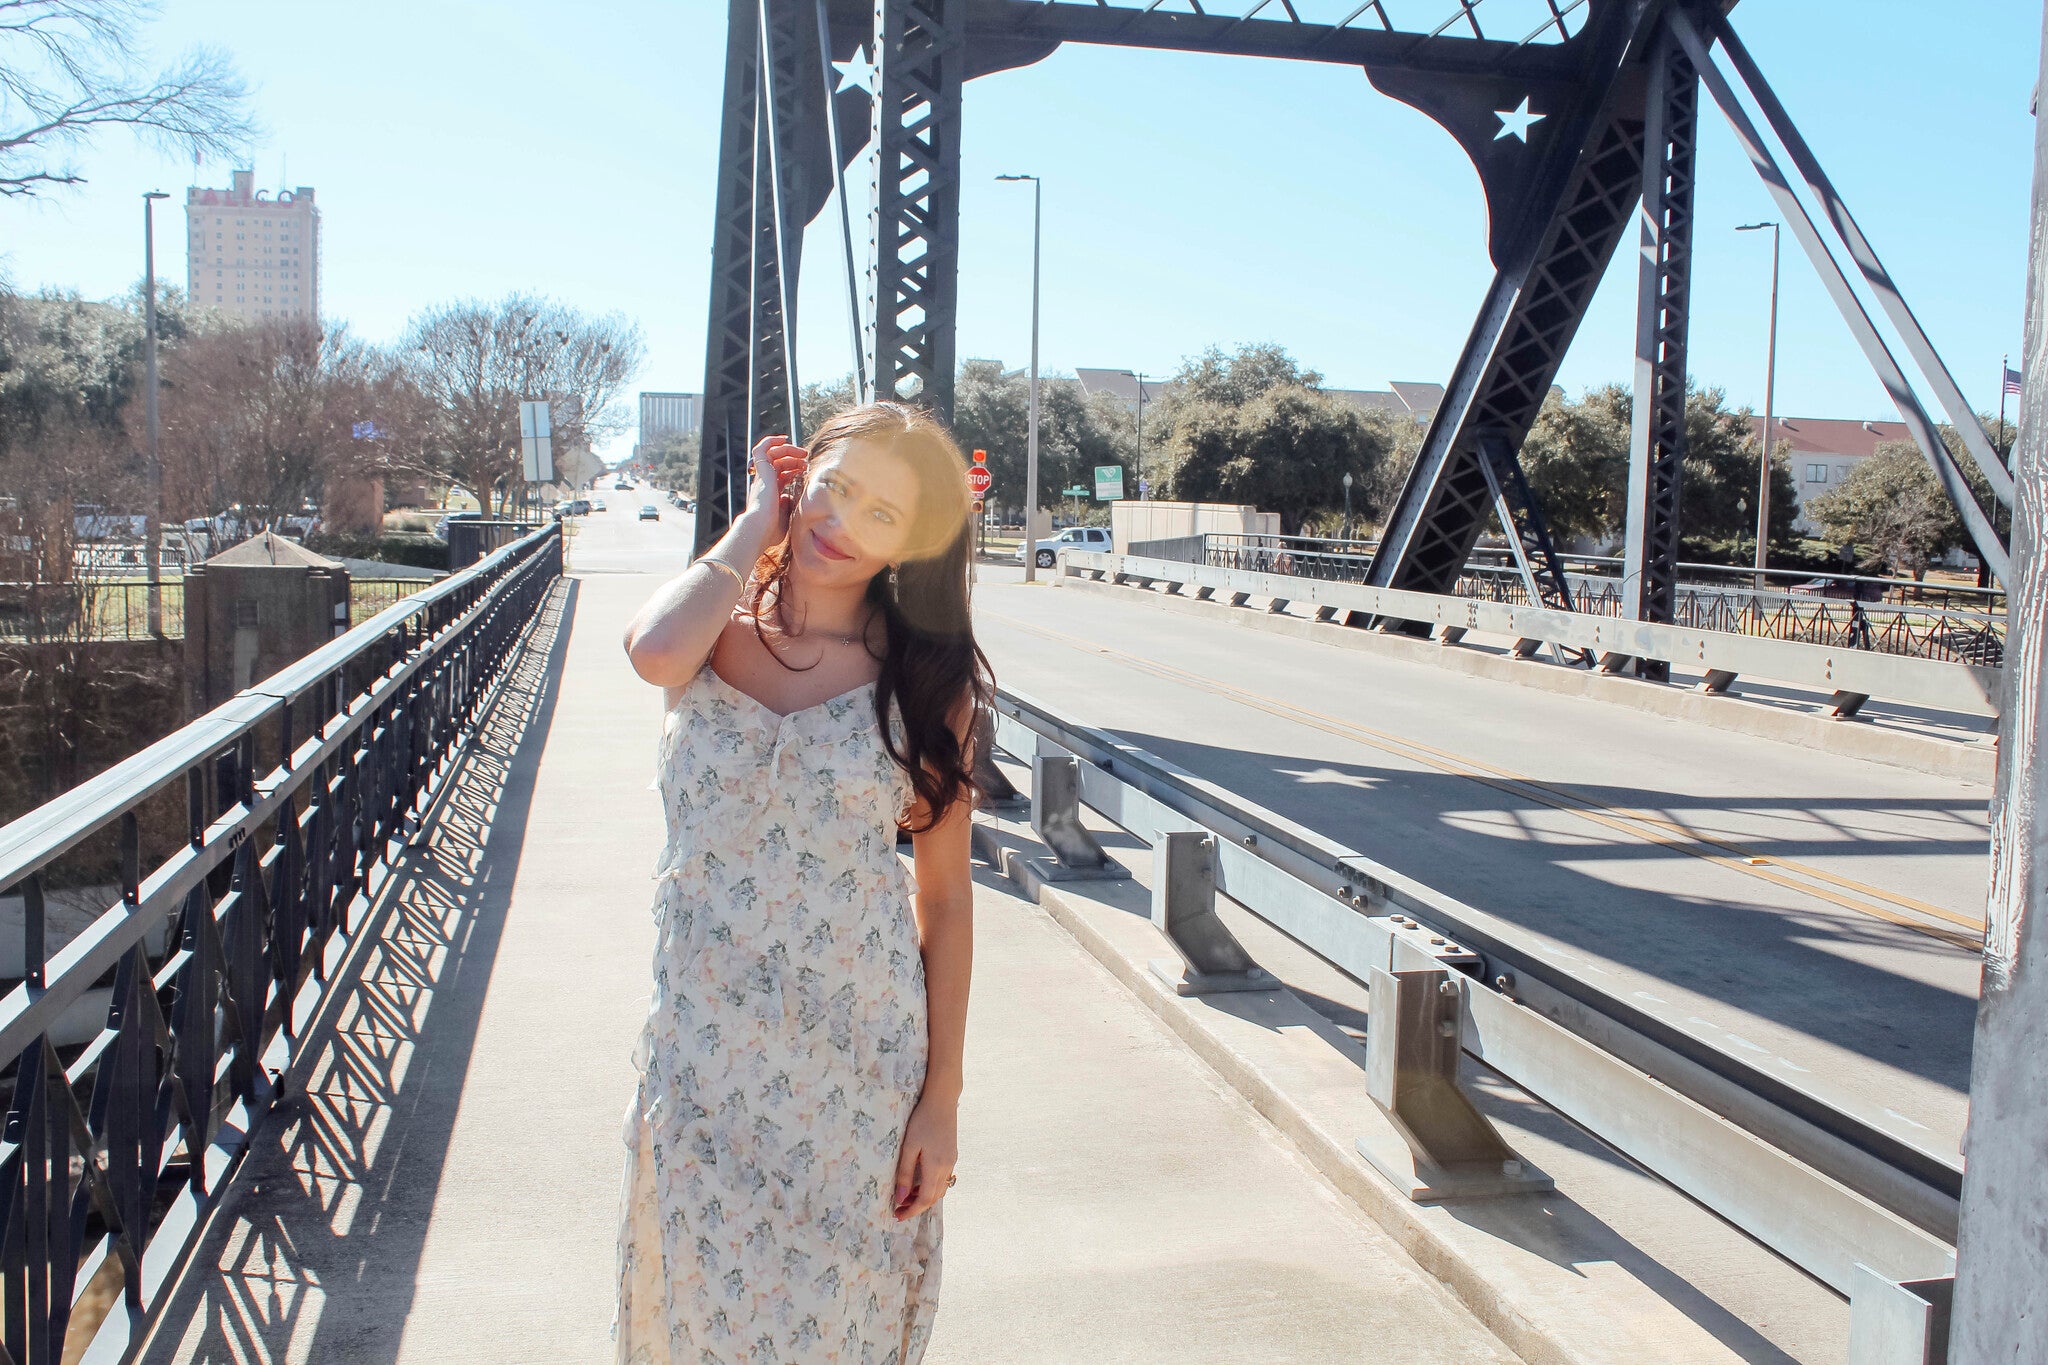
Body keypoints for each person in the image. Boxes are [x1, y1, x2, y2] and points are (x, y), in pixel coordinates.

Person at [613, 402, 991, 1364]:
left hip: (855, 1067)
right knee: (703, 1315)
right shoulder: (710, 628)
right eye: (838, 486)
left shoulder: (926, 681)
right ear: (801, 472)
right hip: (704, 1050)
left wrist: (940, 1098)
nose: (843, 522)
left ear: (914, 544)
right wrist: (754, 526)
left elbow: (944, 901)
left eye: (884, 515)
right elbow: (649, 652)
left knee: (833, 1328)